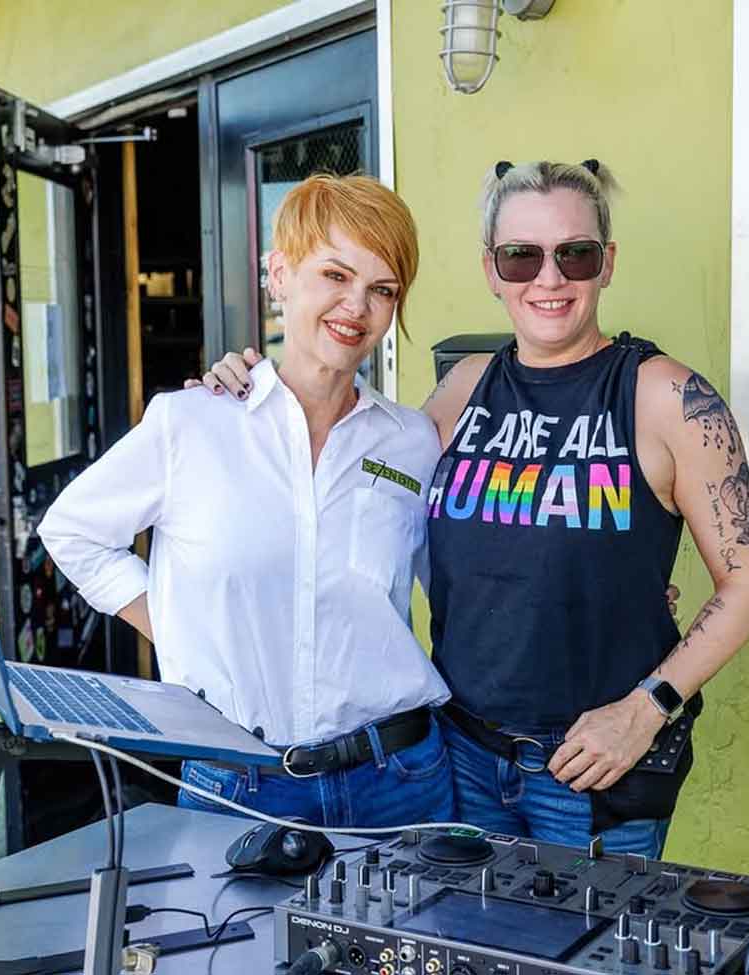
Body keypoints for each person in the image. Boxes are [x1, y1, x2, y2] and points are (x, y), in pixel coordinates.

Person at [196, 160, 749, 856]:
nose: (550, 277)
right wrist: (247, 397)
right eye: (522, 256)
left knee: (586, 962)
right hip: (459, 759)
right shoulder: (462, 392)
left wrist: (645, 707)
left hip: (595, 770)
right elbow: (342, 489)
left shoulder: (666, 396)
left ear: (608, 263)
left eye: (575, 254)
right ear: (492, 270)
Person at [37, 174, 454, 828]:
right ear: (280, 274)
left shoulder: (412, 442)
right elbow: (72, 531)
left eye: (382, 289)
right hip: (238, 781)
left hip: (399, 777)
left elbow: (463, 581)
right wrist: (179, 628)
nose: (357, 306)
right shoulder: (193, 422)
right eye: (335, 275)